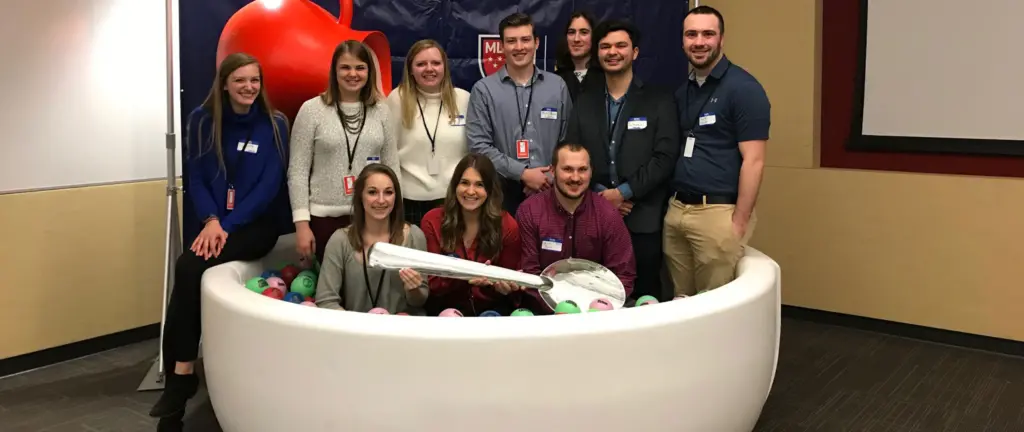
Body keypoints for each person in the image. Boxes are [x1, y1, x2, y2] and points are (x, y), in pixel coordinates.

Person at [148, 53, 290, 428]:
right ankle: (180, 377)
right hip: (215, 223)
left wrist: (226, 226)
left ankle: (180, 381)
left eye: (254, 81)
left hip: (254, 226)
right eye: (240, 80)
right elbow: (195, 178)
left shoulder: (275, 124)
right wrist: (212, 220)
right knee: (188, 269)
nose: (248, 87)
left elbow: (268, 188)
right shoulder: (201, 120)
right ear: (224, 83)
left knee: (190, 266)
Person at [565, 19, 680, 302]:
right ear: (597, 53)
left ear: (635, 52)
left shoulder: (658, 100)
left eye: (620, 45)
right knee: (595, 297)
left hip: (643, 218)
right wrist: (601, 196)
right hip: (593, 216)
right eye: (605, 46)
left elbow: (664, 158)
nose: (612, 52)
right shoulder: (584, 101)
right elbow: (572, 151)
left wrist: (623, 193)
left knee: (645, 298)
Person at [664, 6, 771, 297]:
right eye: (691, 34)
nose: (699, 42)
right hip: (677, 211)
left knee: (715, 304)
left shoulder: (744, 89)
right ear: (683, 41)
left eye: (708, 34)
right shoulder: (683, 90)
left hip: (717, 214)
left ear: (721, 39)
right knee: (681, 303)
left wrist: (739, 222)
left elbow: (754, 161)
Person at [289, 40, 400, 265]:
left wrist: (394, 218)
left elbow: (392, 166)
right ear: (334, 71)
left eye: (360, 67)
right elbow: (297, 171)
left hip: (372, 218)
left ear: (369, 71)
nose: (353, 74)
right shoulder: (311, 110)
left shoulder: (382, 111)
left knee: (365, 289)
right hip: (324, 219)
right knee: (331, 290)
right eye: (345, 67)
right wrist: (301, 224)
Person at [467, 12, 573, 216]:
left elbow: (568, 139)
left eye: (525, 40)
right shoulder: (483, 90)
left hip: (552, 188)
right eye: (511, 41)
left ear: (536, 43)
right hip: (502, 193)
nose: (519, 47)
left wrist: (548, 176)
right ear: (502, 46)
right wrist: (523, 174)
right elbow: (479, 147)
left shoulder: (557, 86)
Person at [515, 141, 636, 314]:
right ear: (552, 170)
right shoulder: (530, 211)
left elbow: (624, 274)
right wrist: (560, 312)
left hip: (597, 315)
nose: (575, 178)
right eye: (567, 169)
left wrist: (598, 311)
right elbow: (529, 274)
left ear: (591, 171)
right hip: (545, 314)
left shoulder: (608, 214)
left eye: (582, 169)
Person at [314, 164, 429, 313]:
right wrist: (358, 328)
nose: (381, 200)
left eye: (388, 192)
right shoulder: (340, 240)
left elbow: (420, 301)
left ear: (396, 197)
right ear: (360, 196)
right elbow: (325, 301)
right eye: (372, 192)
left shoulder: (414, 236)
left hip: (402, 331)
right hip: (356, 332)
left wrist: (414, 290)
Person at [420, 154, 522, 316]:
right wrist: (463, 275)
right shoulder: (432, 221)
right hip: (442, 311)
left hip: (490, 310)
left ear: (489, 189)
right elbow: (431, 283)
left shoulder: (508, 225)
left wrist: (502, 287)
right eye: (464, 183)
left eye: (479, 185)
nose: (471, 191)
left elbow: (510, 285)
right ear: (455, 186)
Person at [385, 39, 471, 225]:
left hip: (455, 199)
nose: (429, 69)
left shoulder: (464, 99)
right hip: (409, 201)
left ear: (445, 67)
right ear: (410, 69)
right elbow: (387, 152)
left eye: (436, 63)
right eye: (421, 64)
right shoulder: (397, 100)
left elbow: (473, 151)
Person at [553, 10, 604, 103]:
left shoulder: (606, 78)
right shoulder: (555, 80)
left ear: (594, 36)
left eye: (584, 32)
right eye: (571, 32)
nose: (576, 39)